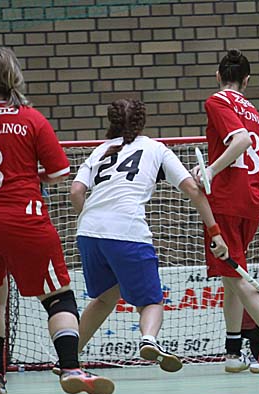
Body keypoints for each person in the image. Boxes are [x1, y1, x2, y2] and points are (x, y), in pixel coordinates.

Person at [0, 46, 114, 394]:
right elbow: (60, 171)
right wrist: (29, 176)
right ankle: (70, 367)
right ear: (13, 77)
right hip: (23, 219)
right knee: (58, 296)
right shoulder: (30, 118)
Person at [69, 99, 229, 373]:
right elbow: (193, 190)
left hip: (88, 233)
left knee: (104, 298)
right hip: (127, 231)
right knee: (151, 301)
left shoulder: (99, 151)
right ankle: (149, 340)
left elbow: (75, 192)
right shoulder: (156, 149)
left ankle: (68, 360)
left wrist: (94, 219)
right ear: (141, 121)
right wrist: (215, 231)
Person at [192, 49, 259, 373]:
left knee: (238, 277)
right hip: (251, 200)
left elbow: (239, 141)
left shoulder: (217, 101)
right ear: (247, 80)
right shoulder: (253, 111)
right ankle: (233, 352)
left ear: (218, 76)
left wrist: (210, 170)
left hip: (227, 199)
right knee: (232, 277)